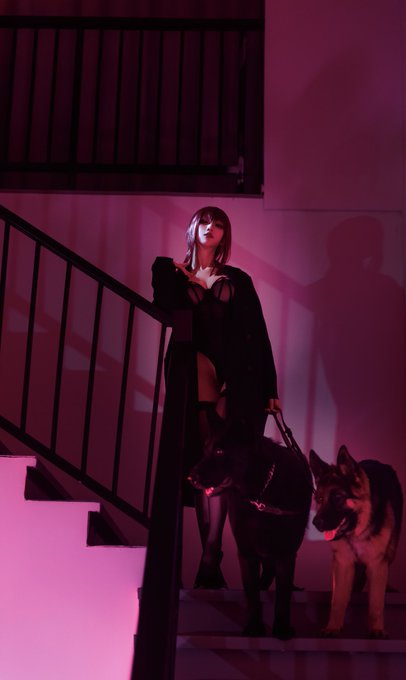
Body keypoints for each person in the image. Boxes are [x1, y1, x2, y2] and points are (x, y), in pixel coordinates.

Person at [151, 206, 280, 588]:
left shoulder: (238, 278)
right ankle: (210, 552)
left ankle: (212, 557)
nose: (211, 228)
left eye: (219, 224)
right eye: (205, 222)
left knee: (225, 459)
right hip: (196, 364)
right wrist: (187, 282)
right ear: (193, 228)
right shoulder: (169, 271)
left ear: (225, 234)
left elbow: (258, 333)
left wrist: (270, 388)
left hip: (239, 373)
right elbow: (164, 307)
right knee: (205, 455)